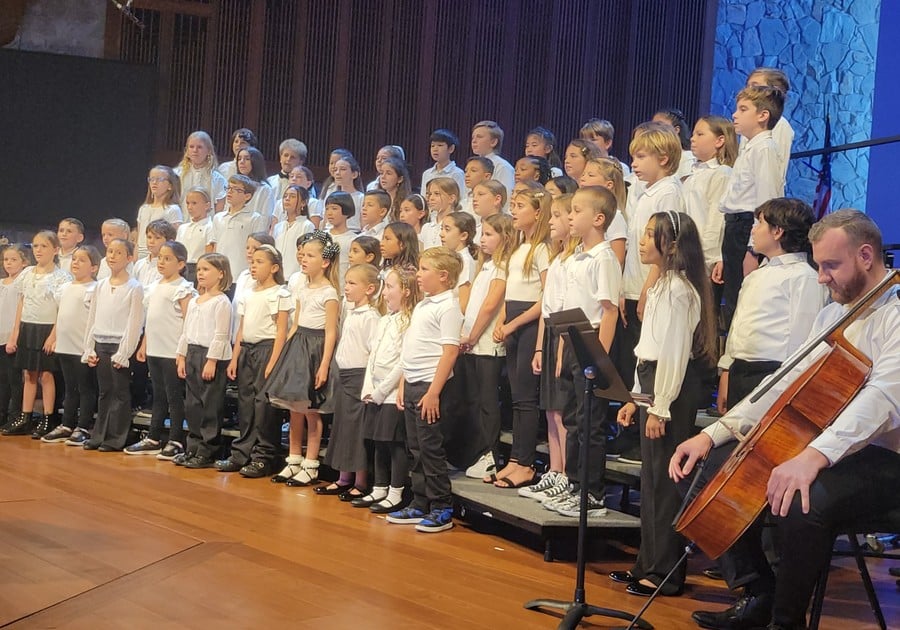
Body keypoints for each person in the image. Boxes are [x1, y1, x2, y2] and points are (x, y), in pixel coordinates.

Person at [672, 209, 900, 630]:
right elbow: (787, 382)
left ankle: (786, 621)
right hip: (832, 447)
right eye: (818, 266)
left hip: (886, 460)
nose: (821, 278)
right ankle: (759, 590)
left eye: (831, 265)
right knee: (710, 470)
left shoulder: (896, 312)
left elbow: (883, 399)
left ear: (866, 255)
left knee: (799, 501)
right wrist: (715, 432)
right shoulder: (835, 313)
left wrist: (813, 456)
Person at [611, 211, 717, 597]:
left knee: (666, 484)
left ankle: (666, 574)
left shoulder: (678, 290)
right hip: (654, 386)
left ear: (671, 244)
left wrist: (660, 406)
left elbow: (673, 354)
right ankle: (646, 563)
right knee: (651, 481)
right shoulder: (661, 286)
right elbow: (648, 353)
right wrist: (638, 399)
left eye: (650, 235)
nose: (641, 241)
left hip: (671, 389)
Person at [544, 187, 621, 518]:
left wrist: (598, 359)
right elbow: (567, 314)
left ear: (598, 219)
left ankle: (592, 494)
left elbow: (609, 311)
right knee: (574, 418)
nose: (570, 217)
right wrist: (563, 352)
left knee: (590, 423)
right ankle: (574, 485)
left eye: (576, 211)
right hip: (573, 340)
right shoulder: (576, 258)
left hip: (592, 344)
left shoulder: (603, 257)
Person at [717, 199, 827, 415]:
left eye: (759, 224)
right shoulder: (757, 275)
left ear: (777, 231)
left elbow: (804, 341)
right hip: (741, 371)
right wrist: (727, 371)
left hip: (772, 375)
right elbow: (738, 326)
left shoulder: (803, 277)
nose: (753, 230)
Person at [387, 247, 463, 533]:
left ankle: (441, 506)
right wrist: (404, 383)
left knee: (431, 449)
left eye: (424, 270)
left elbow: (450, 352)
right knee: (415, 448)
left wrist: (433, 392)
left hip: (432, 387)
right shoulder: (423, 305)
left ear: (443, 276)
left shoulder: (448, 306)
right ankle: (419, 502)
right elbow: (411, 350)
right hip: (414, 384)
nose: (418, 275)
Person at [265, 231, 340, 487]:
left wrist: (324, 364)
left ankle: (311, 464)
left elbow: (331, 331)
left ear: (325, 262)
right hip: (298, 347)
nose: (303, 259)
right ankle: (293, 459)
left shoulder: (329, 293)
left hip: (315, 349)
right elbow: (296, 324)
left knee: (310, 410)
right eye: (303, 255)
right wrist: (283, 355)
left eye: (310, 255)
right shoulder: (302, 287)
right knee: (294, 409)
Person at [489, 183, 550, 488]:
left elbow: (546, 296)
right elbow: (511, 291)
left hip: (528, 324)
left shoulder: (541, 249)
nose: (513, 211)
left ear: (539, 213)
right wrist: (502, 319)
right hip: (513, 320)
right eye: (513, 206)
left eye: (521, 206)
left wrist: (513, 325)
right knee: (516, 397)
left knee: (527, 398)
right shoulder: (519, 247)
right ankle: (514, 460)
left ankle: (526, 464)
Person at [519, 194, 577, 500]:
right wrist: (540, 347)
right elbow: (547, 310)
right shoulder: (558, 257)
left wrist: (557, 350)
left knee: (563, 411)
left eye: (556, 216)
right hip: (552, 332)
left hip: (568, 333)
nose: (550, 221)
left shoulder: (575, 260)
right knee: (551, 410)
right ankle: (555, 469)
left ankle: (567, 474)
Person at [218, 245, 291, 477]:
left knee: (264, 405)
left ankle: (264, 455)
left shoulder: (280, 293)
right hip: (247, 350)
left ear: (274, 267)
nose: (253, 265)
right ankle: (242, 452)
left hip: (267, 349)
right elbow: (241, 329)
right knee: (246, 403)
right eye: (253, 261)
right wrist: (234, 356)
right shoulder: (248, 293)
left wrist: (273, 360)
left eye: (260, 262)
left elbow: (281, 331)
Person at [717, 85, 785, 331]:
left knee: (741, 300)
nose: (735, 115)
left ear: (762, 115)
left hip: (746, 226)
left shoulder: (765, 149)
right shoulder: (750, 147)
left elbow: (767, 201)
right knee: (733, 296)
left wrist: (753, 250)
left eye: (743, 109)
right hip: (735, 225)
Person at [358, 264, 420, 512]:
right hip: (375, 392)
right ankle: (379, 487)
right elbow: (372, 357)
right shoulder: (384, 320)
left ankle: (396, 491)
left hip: (392, 393)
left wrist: (382, 390)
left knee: (394, 443)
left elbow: (402, 362)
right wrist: (368, 387)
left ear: (405, 290)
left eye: (390, 287)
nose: (384, 293)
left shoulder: (410, 321)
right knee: (378, 442)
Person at [126, 241, 196, 460]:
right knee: (158, 395)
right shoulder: (155, 286)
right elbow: (151, 321)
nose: (162, 262)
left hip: (172, 351)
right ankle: (154, 437)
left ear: (181, 263)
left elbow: (188, 322)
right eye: (161, 258)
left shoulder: (183, 288)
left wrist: (182, 352)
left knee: (174, 396)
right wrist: (144, 345)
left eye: (168, 258)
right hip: (155, 350)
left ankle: (175, 440)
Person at [461, 213, 515, 480]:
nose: (482, 240)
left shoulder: (503, 266)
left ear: (505, 237)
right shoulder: (486, 265)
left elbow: (491, 304)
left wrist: (472, 335)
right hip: (473, 341)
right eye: (482, 234)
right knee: (475, 400)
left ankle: (492, 455)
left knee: (487, 401)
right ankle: (479, 450)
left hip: (486, 344)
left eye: (489, 234)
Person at [3, 231, 71, 438]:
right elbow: (22, 304)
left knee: (46, 375)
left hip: (47, 328)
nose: (39, 250)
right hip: (28, 327)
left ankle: (48, 417)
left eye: (43, 246)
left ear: (55, 250)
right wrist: (15, 333)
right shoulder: (27, 273)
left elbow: (62, 309)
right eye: (35, 246)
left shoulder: (61, 277)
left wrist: (54, 335)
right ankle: (25, 416)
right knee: (29, 374)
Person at [321, 264, 381, 501]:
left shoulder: (371, 316)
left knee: (357, 430)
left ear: (369, 289)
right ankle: (343, 477)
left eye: (353, 283)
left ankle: (360, 481)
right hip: (344, 375)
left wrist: (368, 383)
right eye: (346, 282)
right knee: (343, 428)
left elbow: (372, 352)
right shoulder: (351, 311)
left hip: (360, 376)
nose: (346, 287)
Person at [81, 238, 144, 451]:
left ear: (129, 258)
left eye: (118, 252)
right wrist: (89, 347)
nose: (112, 256)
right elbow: (93, 318)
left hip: (119, 346)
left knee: (120, 392)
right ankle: (99, 435)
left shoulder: (134, 287)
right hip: (101, 342)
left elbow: (134, 323)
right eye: (109, 251)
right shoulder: (100, 286)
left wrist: (124, 352)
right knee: (104, 391)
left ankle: (115, 438)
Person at [175, 253, 233, 469]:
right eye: (199, 269)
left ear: (220, 273)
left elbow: (221, 334)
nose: (200, 273)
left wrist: (212, 361)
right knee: (193, 405)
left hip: (211, 356)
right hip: (193, 352)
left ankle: (208, 450)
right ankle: (193, 447)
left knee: (210, 405)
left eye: (206, 269)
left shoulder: (221, 302)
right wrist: (181, 356)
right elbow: (186, 330)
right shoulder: (194, 301)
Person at [40, 245, 100, 445]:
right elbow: (61, 316)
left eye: (82, 260)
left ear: (94, 268)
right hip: (65, 346)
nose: (76, 263)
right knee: (70, 388)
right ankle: (67, 424)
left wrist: (90, 347)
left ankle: (83, 426)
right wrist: (53, 337)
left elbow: (94, 321)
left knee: (85, 388)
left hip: (81, 348)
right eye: (74, 259)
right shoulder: (65, 287)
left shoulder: (94, 289)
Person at [682, 116, 737, 279]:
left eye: (700, 134)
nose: (692, 139)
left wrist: (708, 260)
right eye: (693, 134)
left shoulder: (722, 174)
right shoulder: (693, 173)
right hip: (685, 252)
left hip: (701, 257)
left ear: (719, 140)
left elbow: (716, 219)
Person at [743, 68, 794, 185]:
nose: (748, 90)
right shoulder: (750, 124)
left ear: (773, 92)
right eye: (748, 86)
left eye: (755, 86)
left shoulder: (779, 125)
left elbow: (775, 171)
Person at [0, 244, 32, 432]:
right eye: (6, 260)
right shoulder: (1, 283)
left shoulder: (22, 283)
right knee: (2, 378)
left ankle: (16, 415)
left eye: (14, 259)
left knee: (14, 378)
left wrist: (15, 335)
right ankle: (2, 413)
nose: (9, 263)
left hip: (12, 337)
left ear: (24, 262)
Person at [175, 130, 227, 214]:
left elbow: (220, 208)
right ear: (187, 151)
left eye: (199, 147)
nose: (195, 150)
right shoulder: (177, 174)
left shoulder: (217, 179)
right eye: (191, 147)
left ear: (209, 151)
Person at [136, 165, 183, 259]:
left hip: (160, 255)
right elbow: (139, 238)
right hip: (141, 254)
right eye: (151, 179)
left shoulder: (173, 209)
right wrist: (135, 257)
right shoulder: (143, 208)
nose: (154, 182)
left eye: (159, 179)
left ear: (170, 185)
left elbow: (174, 239)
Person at [272, 184, 315, 278]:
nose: (287, 199)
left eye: (292, 196)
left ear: (303, 203)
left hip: (295, 276)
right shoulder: (278, 226)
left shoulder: (307, 225)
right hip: (277, 276)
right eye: (285, 196)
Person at [176, 186, 214, 286]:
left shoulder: (210, 227)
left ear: (207, 206)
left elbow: (209, 254)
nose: (189, 207)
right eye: (188, 203)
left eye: (194, 203)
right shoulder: (183, 228)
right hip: (181, 269)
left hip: (198, 269)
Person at [439, 211, 477, 309]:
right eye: (441, 228)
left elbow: (464, 303)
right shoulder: (448, 258)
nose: (441, 234)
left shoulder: (465, 262)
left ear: (463, 235)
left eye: (447, 229)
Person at [323, 191, 359, 286]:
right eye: (327, 209)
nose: (329, 213)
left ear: (346, 211)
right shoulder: (322, 236)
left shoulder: (353, 239)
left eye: (334, 209)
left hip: (342, 286)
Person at [421, 129, 467, 201]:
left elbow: (461, 199)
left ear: (451, 148)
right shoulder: (427, 173)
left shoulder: (457, 173)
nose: (435, 149)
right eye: (432, 146)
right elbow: (423, 198)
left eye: (440, 145)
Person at [471, 120, 514, 195]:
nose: (474, 141)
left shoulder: (502, 167)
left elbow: (506, 196)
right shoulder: (472, 164)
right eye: (473, 137)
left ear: (493, 142)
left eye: (479, 137)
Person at [234, 146, 276, 223]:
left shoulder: (264, 189)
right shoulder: (233, 186)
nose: (242, 162)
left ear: (256, 162)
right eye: (239, 159)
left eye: (247, 159)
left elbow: (265, 219)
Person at [652, 108, 694, 179]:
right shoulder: (652, 156)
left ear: (676, 130)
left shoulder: (686, 157)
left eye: (659, 125)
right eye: (653, 125)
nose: (654, 130)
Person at [421, 177, 462, 249]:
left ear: (451, 198)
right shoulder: (427, 227)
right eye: (430, 194)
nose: (431, 198)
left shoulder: (457, 225)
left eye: (437, 194)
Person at [378, 156, 412, 221]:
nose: (383, 177)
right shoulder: (376, 199)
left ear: (400, 179)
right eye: (381, 173)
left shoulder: (406, 202)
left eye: (388, 173)